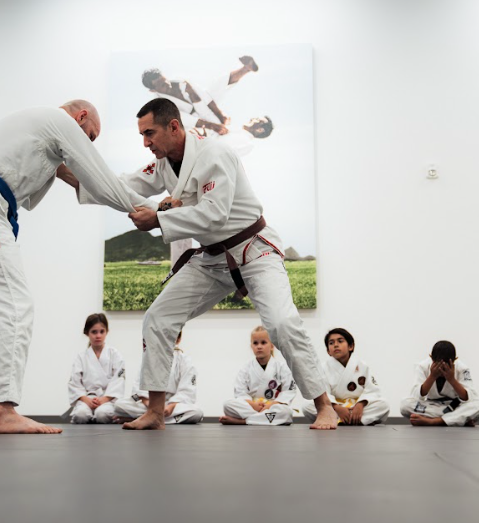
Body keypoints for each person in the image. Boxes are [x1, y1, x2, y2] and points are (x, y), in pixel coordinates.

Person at [81, 98, 337, 430]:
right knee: (158, 319)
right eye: (142, 135)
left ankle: (324, 406)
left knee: (282, 323)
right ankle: (156, 412)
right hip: (212, 258)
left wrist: (159, 217)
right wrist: (77, 175)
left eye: (150, 133)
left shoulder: (215, 154)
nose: (146, 142)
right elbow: (124, 185)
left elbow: (213, 213)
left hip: (253, 250)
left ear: (174, 126)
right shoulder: (163, 163)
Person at [0, 101, 158, 435]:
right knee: (13, 307)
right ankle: (2, 410)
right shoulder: (56, 120)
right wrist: (159, 212)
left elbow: (79, 180)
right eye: (88, 135)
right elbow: (102, 179)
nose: (86, 144)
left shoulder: (22, 124)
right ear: (80, 117)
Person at [140, 55, 259, 133]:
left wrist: (220, 114)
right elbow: (185, 120)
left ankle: (246, 68)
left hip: (202, 104)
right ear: (153, 90)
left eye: (164, 80)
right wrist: (213, 125)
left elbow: (204, 96)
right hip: (192, 126)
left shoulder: (180, 80)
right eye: (161, 85)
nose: (167, 85)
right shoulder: (160, 107)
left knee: (216, 86)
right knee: (218, 131)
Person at [303, 328, 389, 426]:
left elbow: (372, 390)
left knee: (383, 405)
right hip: (333, 407)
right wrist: (337, 408)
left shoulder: (363, 366)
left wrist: (360, 405)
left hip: (357, 407)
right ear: (328, 351)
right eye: (331, 343)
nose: (335, 345)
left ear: (351, 346)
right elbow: (323, 393)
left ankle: (342, 419)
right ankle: (354, 420)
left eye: (340, 341)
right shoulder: (322, 368)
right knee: (307, 406)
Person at [113, 332, 203, 425]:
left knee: (196, 412)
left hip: (172, 406)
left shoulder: (185, 361)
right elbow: (138, 388)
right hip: (150, 403)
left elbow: (187, 391)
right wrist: (151, 405)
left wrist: (171, 406)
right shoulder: (150, 358)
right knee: (119, 405)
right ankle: (154, 417)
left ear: (178, 339)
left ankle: (145, 418)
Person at [400, 340, 479, 427]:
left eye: (447, 364)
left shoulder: (462, 368)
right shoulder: (422, 366)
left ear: (455, 359)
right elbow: (417, 395)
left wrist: (451, 379)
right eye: (438, 364)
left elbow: (467, 398)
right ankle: (458, 420)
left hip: (456, 406)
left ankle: (435, 421)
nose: (442, 368)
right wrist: (432, 376)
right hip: (432, 406)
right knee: (405, 405)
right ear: (431, 358)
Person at [220, 325, 296, 426]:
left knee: (286, 412)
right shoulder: (246, 368)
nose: (259, 346)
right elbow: (240, 392)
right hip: (252, 406)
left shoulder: (282, 367)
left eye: (263, 342)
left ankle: (244, 421)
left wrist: (272, 405)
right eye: (255, 343)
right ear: (251, 346)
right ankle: (263, 419)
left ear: (272, 345)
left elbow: (288, 391)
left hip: (272, 406)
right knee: (227, 405)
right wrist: (253, 405)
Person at [66, 313, 125, 424]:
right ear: (87, 333)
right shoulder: (81, 357)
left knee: (102, 414)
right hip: (86, 398)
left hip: (107, 399)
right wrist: (85, 400)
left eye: (102, 331)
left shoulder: (115, 355)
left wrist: (104, 399)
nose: (98, 336)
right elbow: (74, 382)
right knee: (81, 415)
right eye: (94, 332)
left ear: (107, 331)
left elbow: (118, 380)